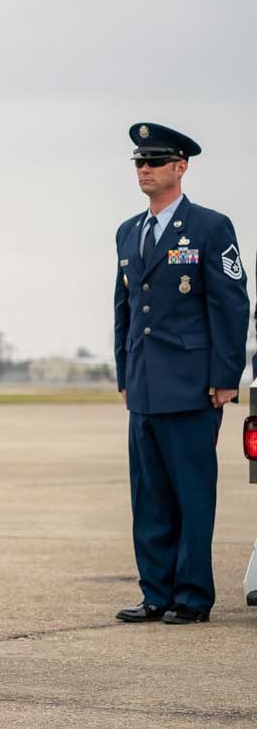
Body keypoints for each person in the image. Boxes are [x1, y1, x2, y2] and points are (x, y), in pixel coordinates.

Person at [113, 122, 249, 625]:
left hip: (193, 385)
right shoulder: (129, 231)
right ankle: (156, 591)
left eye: (154, 161)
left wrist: (226, 375)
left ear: (180, 166)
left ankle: (191, 596)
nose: (144, 169)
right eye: (138, 162)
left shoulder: (211, 227)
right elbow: (124, 306)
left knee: (191, 492)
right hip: (145, 385)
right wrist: (123, 369)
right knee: (148, 494)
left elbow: (231, 304)